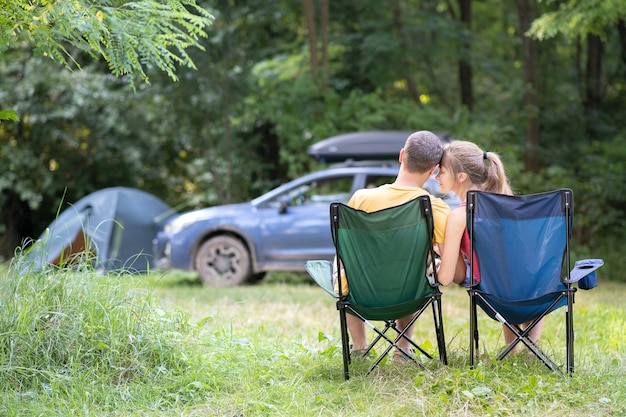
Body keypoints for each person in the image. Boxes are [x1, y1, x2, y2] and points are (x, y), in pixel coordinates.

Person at [334, 130, 451, 363]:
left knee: (341, 265)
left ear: (401, 156)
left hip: (362, 294)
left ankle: (359, 348)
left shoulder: (361, 199)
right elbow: (444, 256)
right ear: (434, 170)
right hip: (409, 294)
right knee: (413, 267)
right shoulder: (434, 208)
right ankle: (402, 349)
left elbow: (345, 254)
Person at [435, 140, 542, 352]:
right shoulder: (508, 204)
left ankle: (513, 349)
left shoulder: (459, 216)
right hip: (538, 290)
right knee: (511, 273)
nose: (436, 176)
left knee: (494, 278)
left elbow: (445, 279)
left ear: (461, 176)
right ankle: (531, 348)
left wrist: (438, 260)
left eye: (442, 171)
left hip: (495, 294)